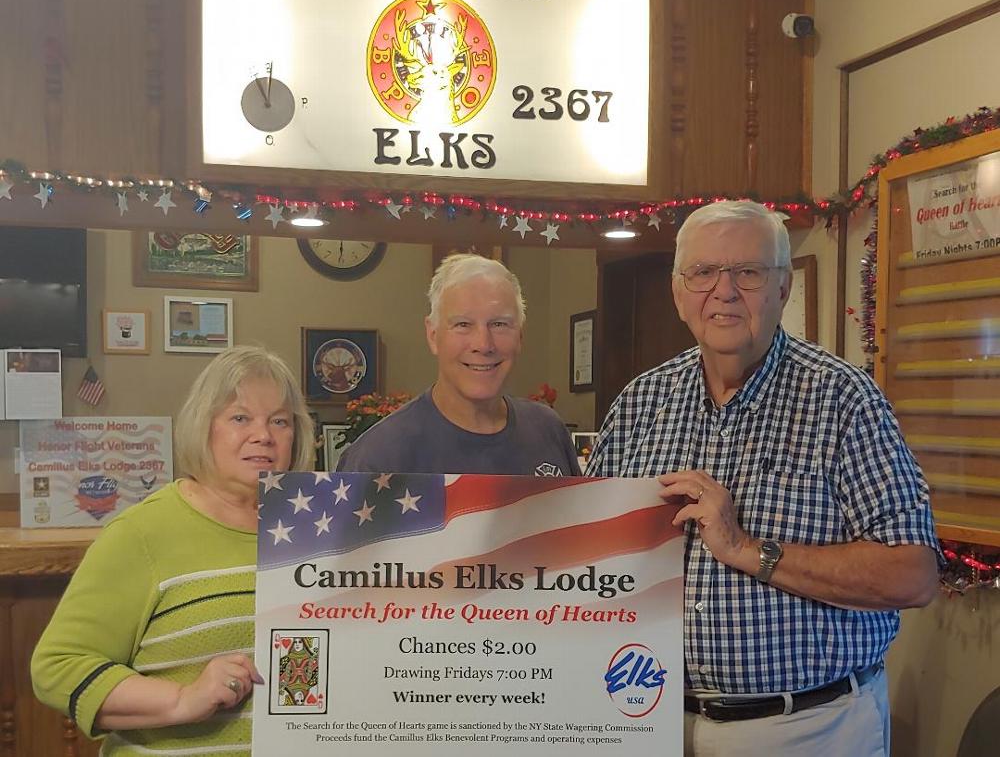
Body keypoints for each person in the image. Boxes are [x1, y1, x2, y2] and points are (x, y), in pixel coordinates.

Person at [586, 200, 940, 757]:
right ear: (679, 292)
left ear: (783, 288)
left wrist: (747, 548)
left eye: (747, 272)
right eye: (703, 273)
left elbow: (913, 574)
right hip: (651, 724)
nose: (723, 291)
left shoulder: (842, 401)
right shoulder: (640, 403)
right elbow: (591, 556)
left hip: (806, 727)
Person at [32, 345, 314, 755]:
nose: (263, 435)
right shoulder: (143, 532)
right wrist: (182, 699)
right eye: (240, 418)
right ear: (205, 426)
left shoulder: (319, 529)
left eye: (279, 421)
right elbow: (58, 668)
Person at [337, 253, 580, 476]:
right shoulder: (378, 456)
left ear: (520, 337)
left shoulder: (548, 431)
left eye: (499, 324)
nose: (483, 344)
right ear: (433, 336)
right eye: (463, 324)